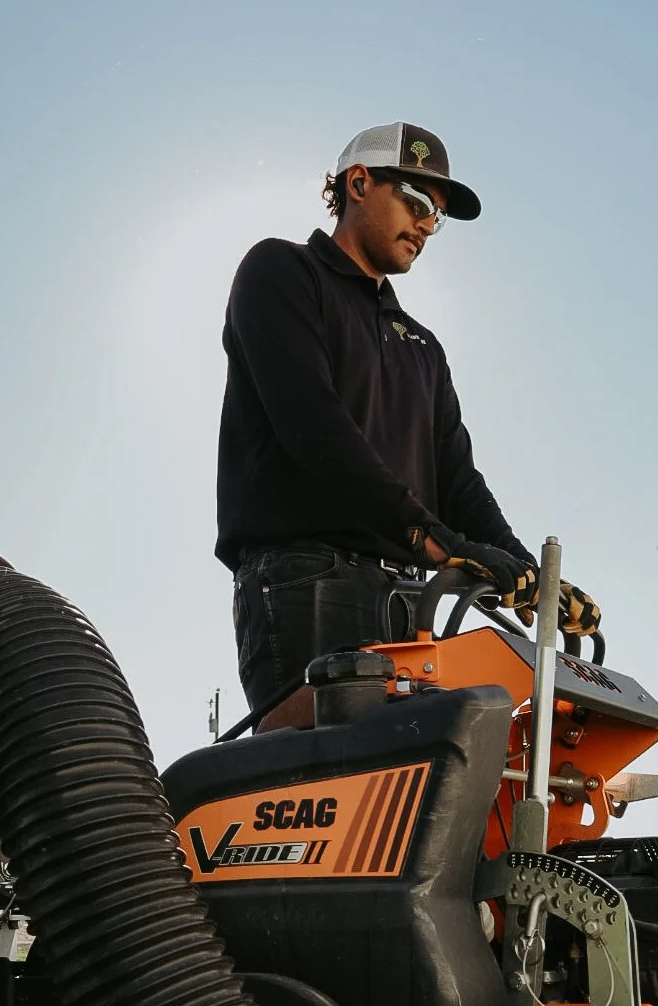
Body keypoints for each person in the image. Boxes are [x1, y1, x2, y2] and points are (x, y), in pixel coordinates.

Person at [215, 121, 598, 716]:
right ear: (359, 182)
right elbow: (313, 427)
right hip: (305, 579)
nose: (426, 225)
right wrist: (432, 539)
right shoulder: (280, 273)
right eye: (417, 201)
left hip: (407, 595)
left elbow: (457, 482)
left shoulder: (422, 345)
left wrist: (527, 575)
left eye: (436, 217)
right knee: (326, 778)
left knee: (422, 779)